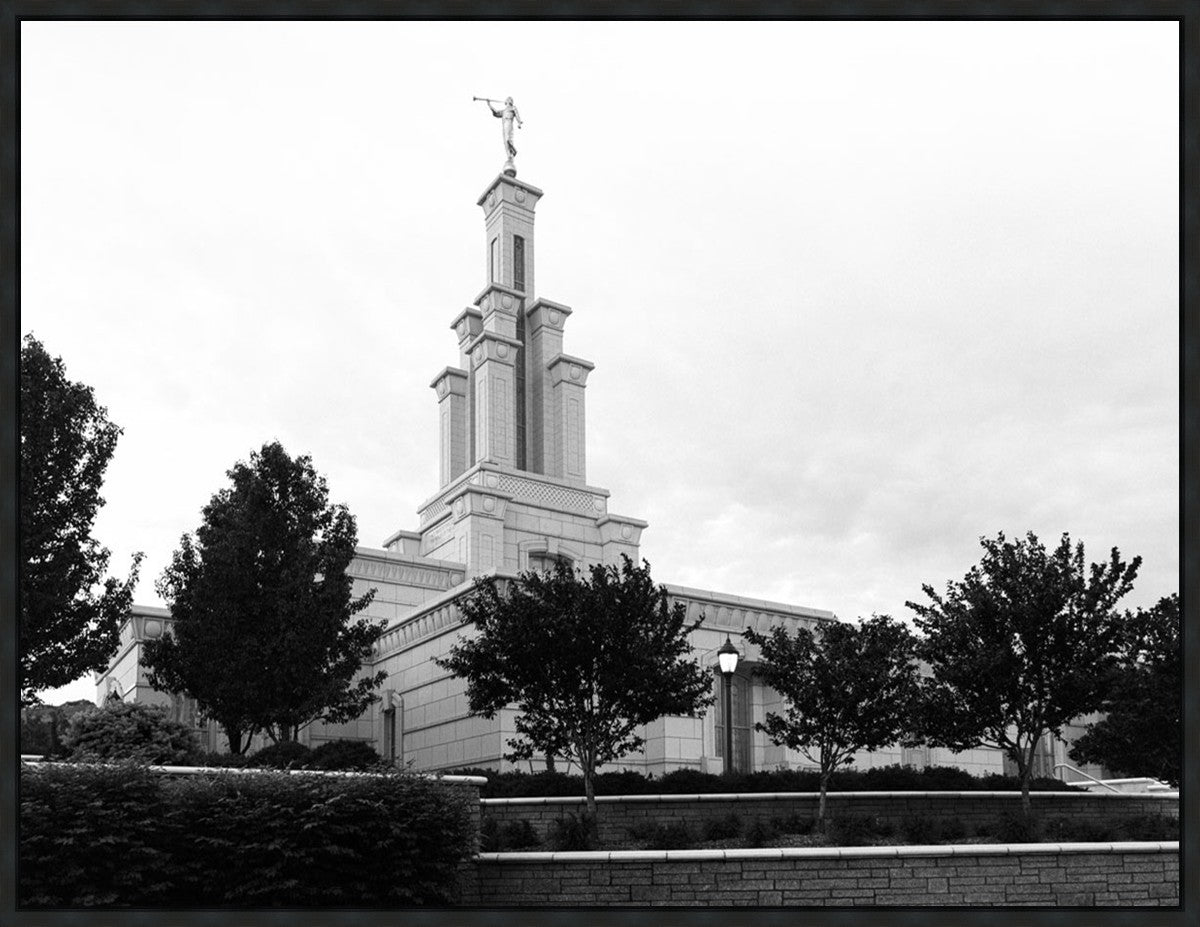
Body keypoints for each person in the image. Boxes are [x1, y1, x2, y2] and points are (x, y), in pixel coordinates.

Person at [487, 97, 522, 165]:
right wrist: (489, 104)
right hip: (504, 125)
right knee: (505, 141)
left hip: (509, 123)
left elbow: (517, 115)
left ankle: (514, 151)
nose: (508, 100)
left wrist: (519, 123)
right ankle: (509, 156)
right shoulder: (504, 111)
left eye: (509, 99)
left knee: (508, 139)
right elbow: (496, 112)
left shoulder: (513, 108)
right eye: (508, 99)